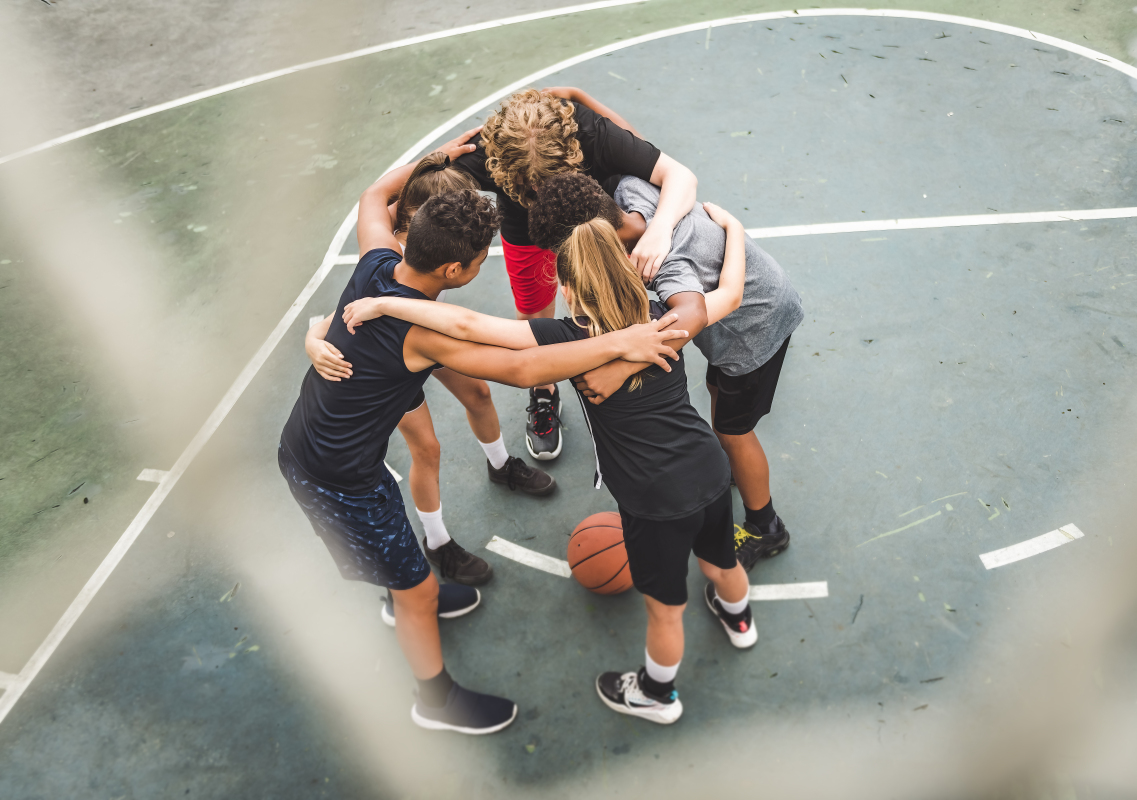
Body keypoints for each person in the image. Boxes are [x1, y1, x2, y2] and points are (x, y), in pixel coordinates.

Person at [278, 178, 686, 733]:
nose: (478, 268)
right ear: (454, 271)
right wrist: (620, 343)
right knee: (416, 592)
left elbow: (373, 197)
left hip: (329, 446)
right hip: (335, 475)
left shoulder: (377, 262)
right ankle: (435, 700)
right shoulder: (418, 333)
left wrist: (443, 157)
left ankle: (404, 591)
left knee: (404, 564)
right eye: (477, 261)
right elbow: (521, 368)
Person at [340, 200, 754, 726]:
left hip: (655, 501)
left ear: (568, 288)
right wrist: (734, 229)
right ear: (626, 265)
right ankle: (739, 618)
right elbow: (732, 292)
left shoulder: (568, 338)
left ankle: (656, 694)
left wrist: (388, 305)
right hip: (712, 472)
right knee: (722, 563)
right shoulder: (663, 321)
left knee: (666, 610)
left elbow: (468, 325)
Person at [527, 172, 805, 572]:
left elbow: (690, 317)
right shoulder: (630, 191)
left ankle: (766, 527)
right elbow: (674, 172)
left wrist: (621, 368)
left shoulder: (664, 265)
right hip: (740, 317)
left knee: (734, 431)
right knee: (716, 389)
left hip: (753, 331)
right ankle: (729, 472)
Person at [305, 148, 555, 588]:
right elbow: (508, 358)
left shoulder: (388, 255)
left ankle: (500, 466)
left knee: (477, 392)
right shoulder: (408, 276)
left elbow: (373, 194)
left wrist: (441, 154)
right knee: (428, 448)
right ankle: (437, 543)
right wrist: (313, 339)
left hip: (413, 334)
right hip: (389, 369)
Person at [452, 87, 699, 461]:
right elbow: (405, 193)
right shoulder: (487, 152)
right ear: (504, 167)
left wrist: (660, 228)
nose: (540, 191)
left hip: (596, 223)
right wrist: (437, 158)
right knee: (535, 312)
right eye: (530, 187)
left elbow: (678, 175)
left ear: (572, 152)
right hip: (529, 239)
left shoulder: (590, 132)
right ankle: (545, 390)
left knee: (618, 296)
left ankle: (631, 359)